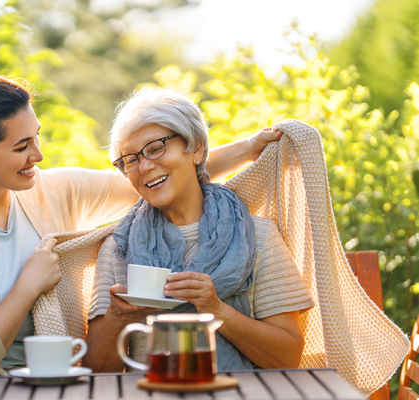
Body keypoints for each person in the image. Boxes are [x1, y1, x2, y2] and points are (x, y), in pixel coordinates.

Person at [0, 74, 281, 400]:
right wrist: (27, 288)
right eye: (22, 146)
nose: (38, 155)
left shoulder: (46, 189)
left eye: (37, 137)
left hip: (54, 388)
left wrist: (248, 148)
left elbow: (148, 178)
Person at [84, 87, 315, 372]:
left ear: (196, 149)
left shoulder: (257, 236)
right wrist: (118, 319)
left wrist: (217, 310)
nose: (143, 166)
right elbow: (96, 373)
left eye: (155, 148)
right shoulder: (119, 247)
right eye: (130, 159)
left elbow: (287, 358)